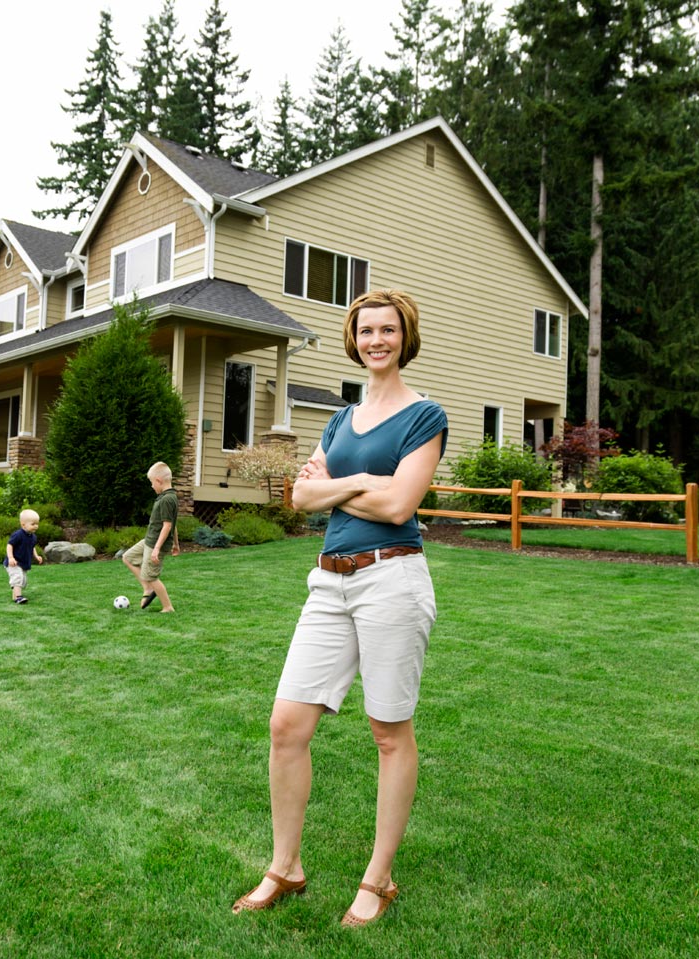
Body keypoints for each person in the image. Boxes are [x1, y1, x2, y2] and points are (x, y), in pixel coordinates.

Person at [232, 290, 447, 927]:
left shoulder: (423, 416)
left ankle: (377, 879)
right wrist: (361, 482)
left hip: (392, 581)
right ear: (353, 339)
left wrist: (336, 489)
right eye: (365, 330)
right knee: (286, 727)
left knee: (388, 732)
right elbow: (300, 497)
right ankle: (286, 867)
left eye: (387, 330)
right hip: (328, 583)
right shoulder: (338, 420)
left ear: (405, 337)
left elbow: (400, 508)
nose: (376, 339)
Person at [122, 461, 181, 612]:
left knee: (151, 575)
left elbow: (168, 526)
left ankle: (168, 607)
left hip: (155, 543)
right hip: (149, 540)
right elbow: (173, 524)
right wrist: (176, 544)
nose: (151, 486)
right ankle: (147, 589)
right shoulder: (167, 496)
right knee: (127, 557)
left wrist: (156, 549)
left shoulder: (168, 499)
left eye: (152, 482)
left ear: (159, 481)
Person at [5, 508, 44, 605]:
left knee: (23, 581)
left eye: (37, 524)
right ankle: (19, 598)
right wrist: (11, 557)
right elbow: (10, 545)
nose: (36, 526)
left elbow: (32, 547)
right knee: (17, 578)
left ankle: (15, 596)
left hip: (23, 563)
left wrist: (36, 556)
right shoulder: (18, 535)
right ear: (23, 524)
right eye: (33, 524)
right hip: (14, 562)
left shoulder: (33, 536)